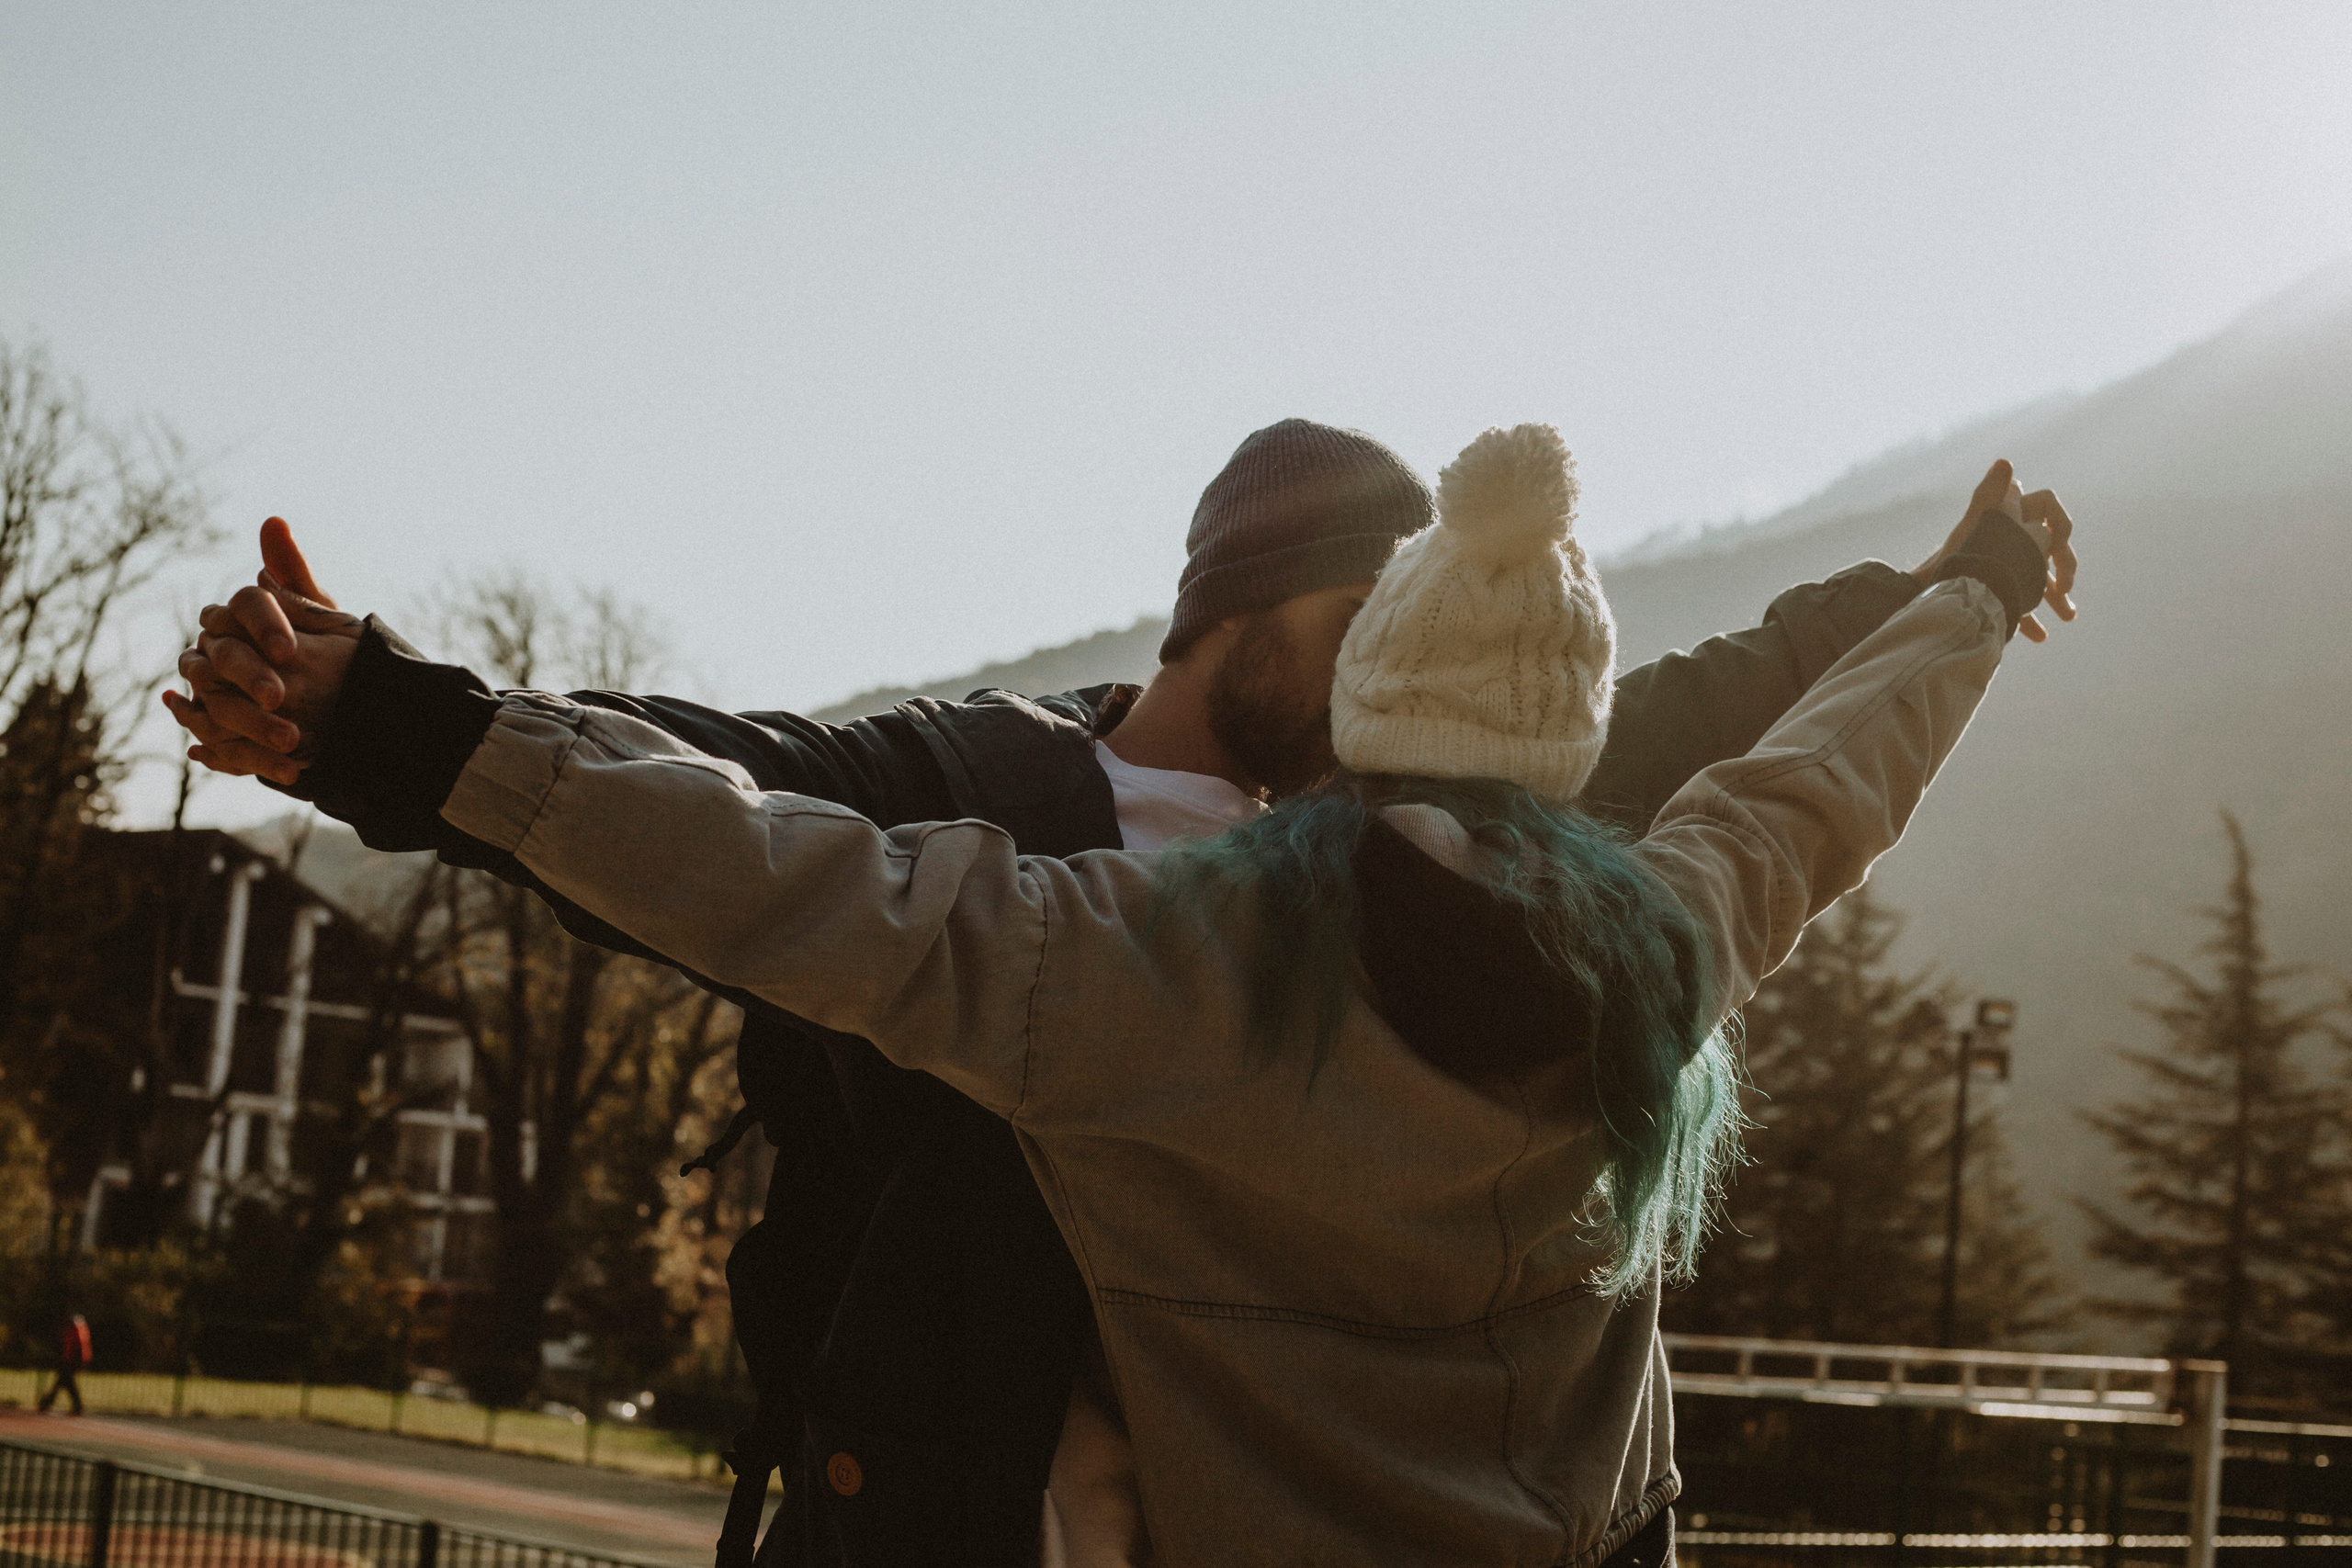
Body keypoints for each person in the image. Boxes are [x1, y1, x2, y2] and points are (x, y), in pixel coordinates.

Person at [169, 421, 2075, 1566]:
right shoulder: (1643, 942)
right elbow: (730, 809)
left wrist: (1936, 586)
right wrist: (1963, 602)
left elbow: (756, 873)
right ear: (1232, 610)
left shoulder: (1150, 963)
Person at [39, 1314, 90, 1416]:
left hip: (71, 1360)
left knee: (65, 1382)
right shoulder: (76, 1330)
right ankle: (49, 1402)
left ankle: (48, 1402)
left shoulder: (76, 1330)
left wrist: (75, 1360)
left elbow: (76, 1347)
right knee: (65, 1382)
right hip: (69, 1359)